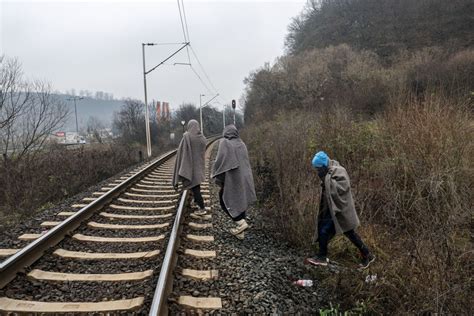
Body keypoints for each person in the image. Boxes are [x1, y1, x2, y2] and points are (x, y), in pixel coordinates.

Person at [306, 151, 375, 269]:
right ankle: (368, 255)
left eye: (318, 168)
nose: (317, 171)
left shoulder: (339, 171)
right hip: (332, 210)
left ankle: (322, 257)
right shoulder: (328, 172)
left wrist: (326, 179)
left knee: (326, 231)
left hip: (341, 210)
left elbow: (342, 188)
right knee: (347, 232)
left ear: (323, 165)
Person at [212, 125, 256, 239]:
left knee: (224, 199)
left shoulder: (225, 143)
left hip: (234, 178)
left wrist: (218, 178)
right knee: (241, 200)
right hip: (245, 178)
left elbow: (220, 163)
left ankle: (240, 223)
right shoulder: (241, 143)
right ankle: (240, 233)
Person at [172, 119, 207, 216]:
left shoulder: (187, 137)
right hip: (199, 167)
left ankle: (202, 208)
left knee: (195, 189)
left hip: (190, 167)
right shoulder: (202, 138)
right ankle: (196, 202)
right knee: (196, 186)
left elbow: (182, 152)